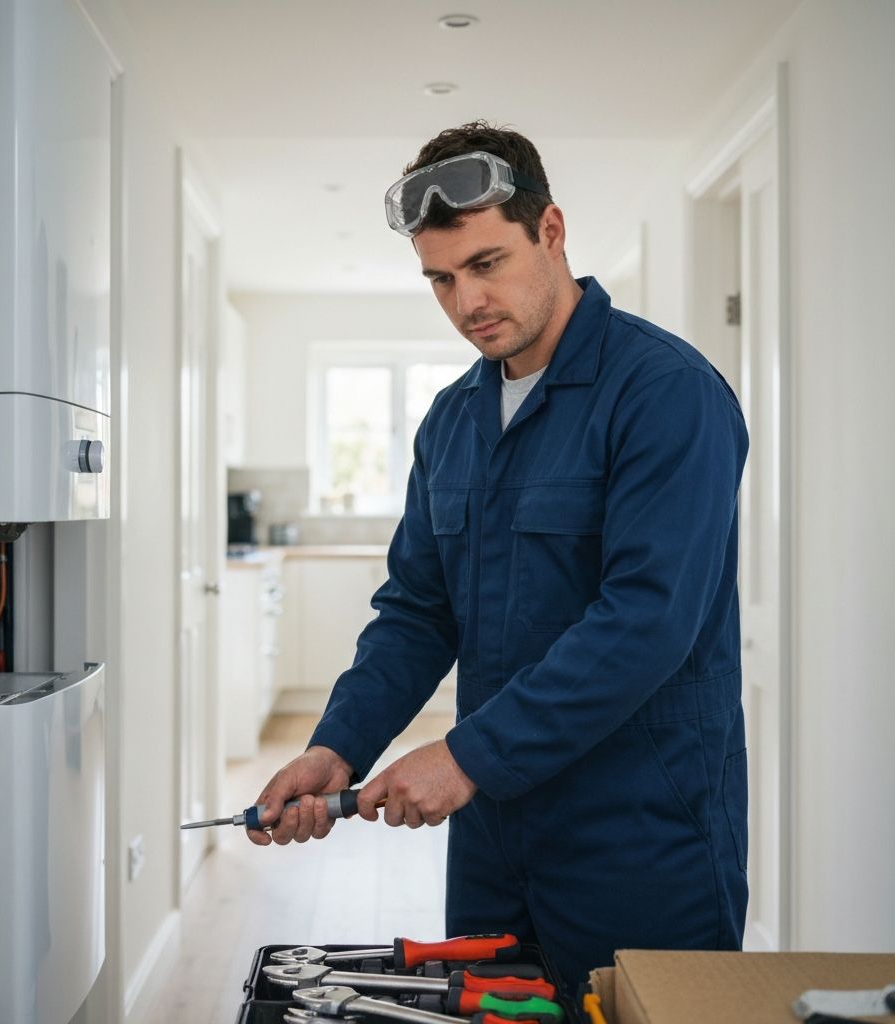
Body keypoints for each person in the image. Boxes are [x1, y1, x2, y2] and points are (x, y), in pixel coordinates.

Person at [247, 121, 749, 991]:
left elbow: (646, 622)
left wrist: (466, 757)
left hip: (639, 839)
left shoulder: (667, 394)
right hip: (493, 840)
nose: (466, 300)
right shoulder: (452, 422)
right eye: (440, 278)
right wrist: (339, 746)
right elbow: (417, 610)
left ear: (550, 231)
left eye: (487, 264)